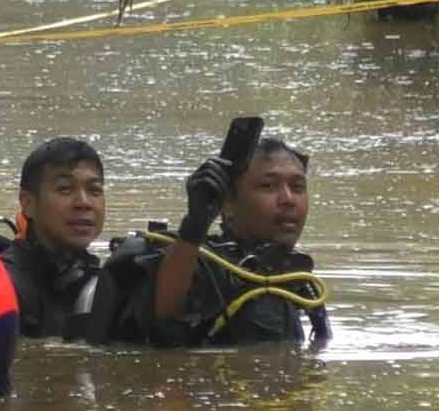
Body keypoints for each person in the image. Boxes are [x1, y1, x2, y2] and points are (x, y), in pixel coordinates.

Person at [92, 135, 330, 347]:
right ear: (228, 203)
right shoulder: (201, 264)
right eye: (268, 186)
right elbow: (163, 316)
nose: (288, 199)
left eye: (297, 187)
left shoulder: (294, 280)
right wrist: (196, 222)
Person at [0, 137, 105, 338]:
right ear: (28, 203)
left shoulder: (98, 282)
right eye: (65, 189)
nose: (83, 203)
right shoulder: (4, 289)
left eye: (94, 190)